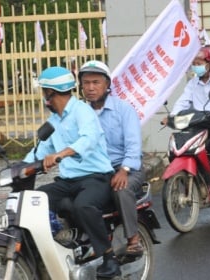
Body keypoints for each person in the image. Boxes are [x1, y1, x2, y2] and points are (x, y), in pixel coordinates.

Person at [22, 66, 120, 278]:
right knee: (35, 199)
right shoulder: (54, 121)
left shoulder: (82, 111)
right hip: (69, 180)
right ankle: (54, 245)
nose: (43, 96)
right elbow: (40, 150)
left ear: (50, 92)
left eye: (44, 91)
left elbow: (88, 139)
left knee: (83, 205)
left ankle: (109, 257)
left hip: (97, 177)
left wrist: (61, 155)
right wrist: (19, 168)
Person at [78, 60, 146, 257]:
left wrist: (124, 170)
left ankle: (133, 239)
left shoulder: (124, 110)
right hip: (95, 170)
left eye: (96, 82)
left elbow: (134, 147)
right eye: (86, 83)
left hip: (126, 168)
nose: (90, 88)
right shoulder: (81, 113)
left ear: (107, 84)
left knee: (120, 189)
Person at [163, 47, 210, 201]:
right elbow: (183, 101)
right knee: (182, 146)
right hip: (201, 122)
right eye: (194, 63)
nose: (196, 66)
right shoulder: (192, 83)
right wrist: (171, 116)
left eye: (200, 63)